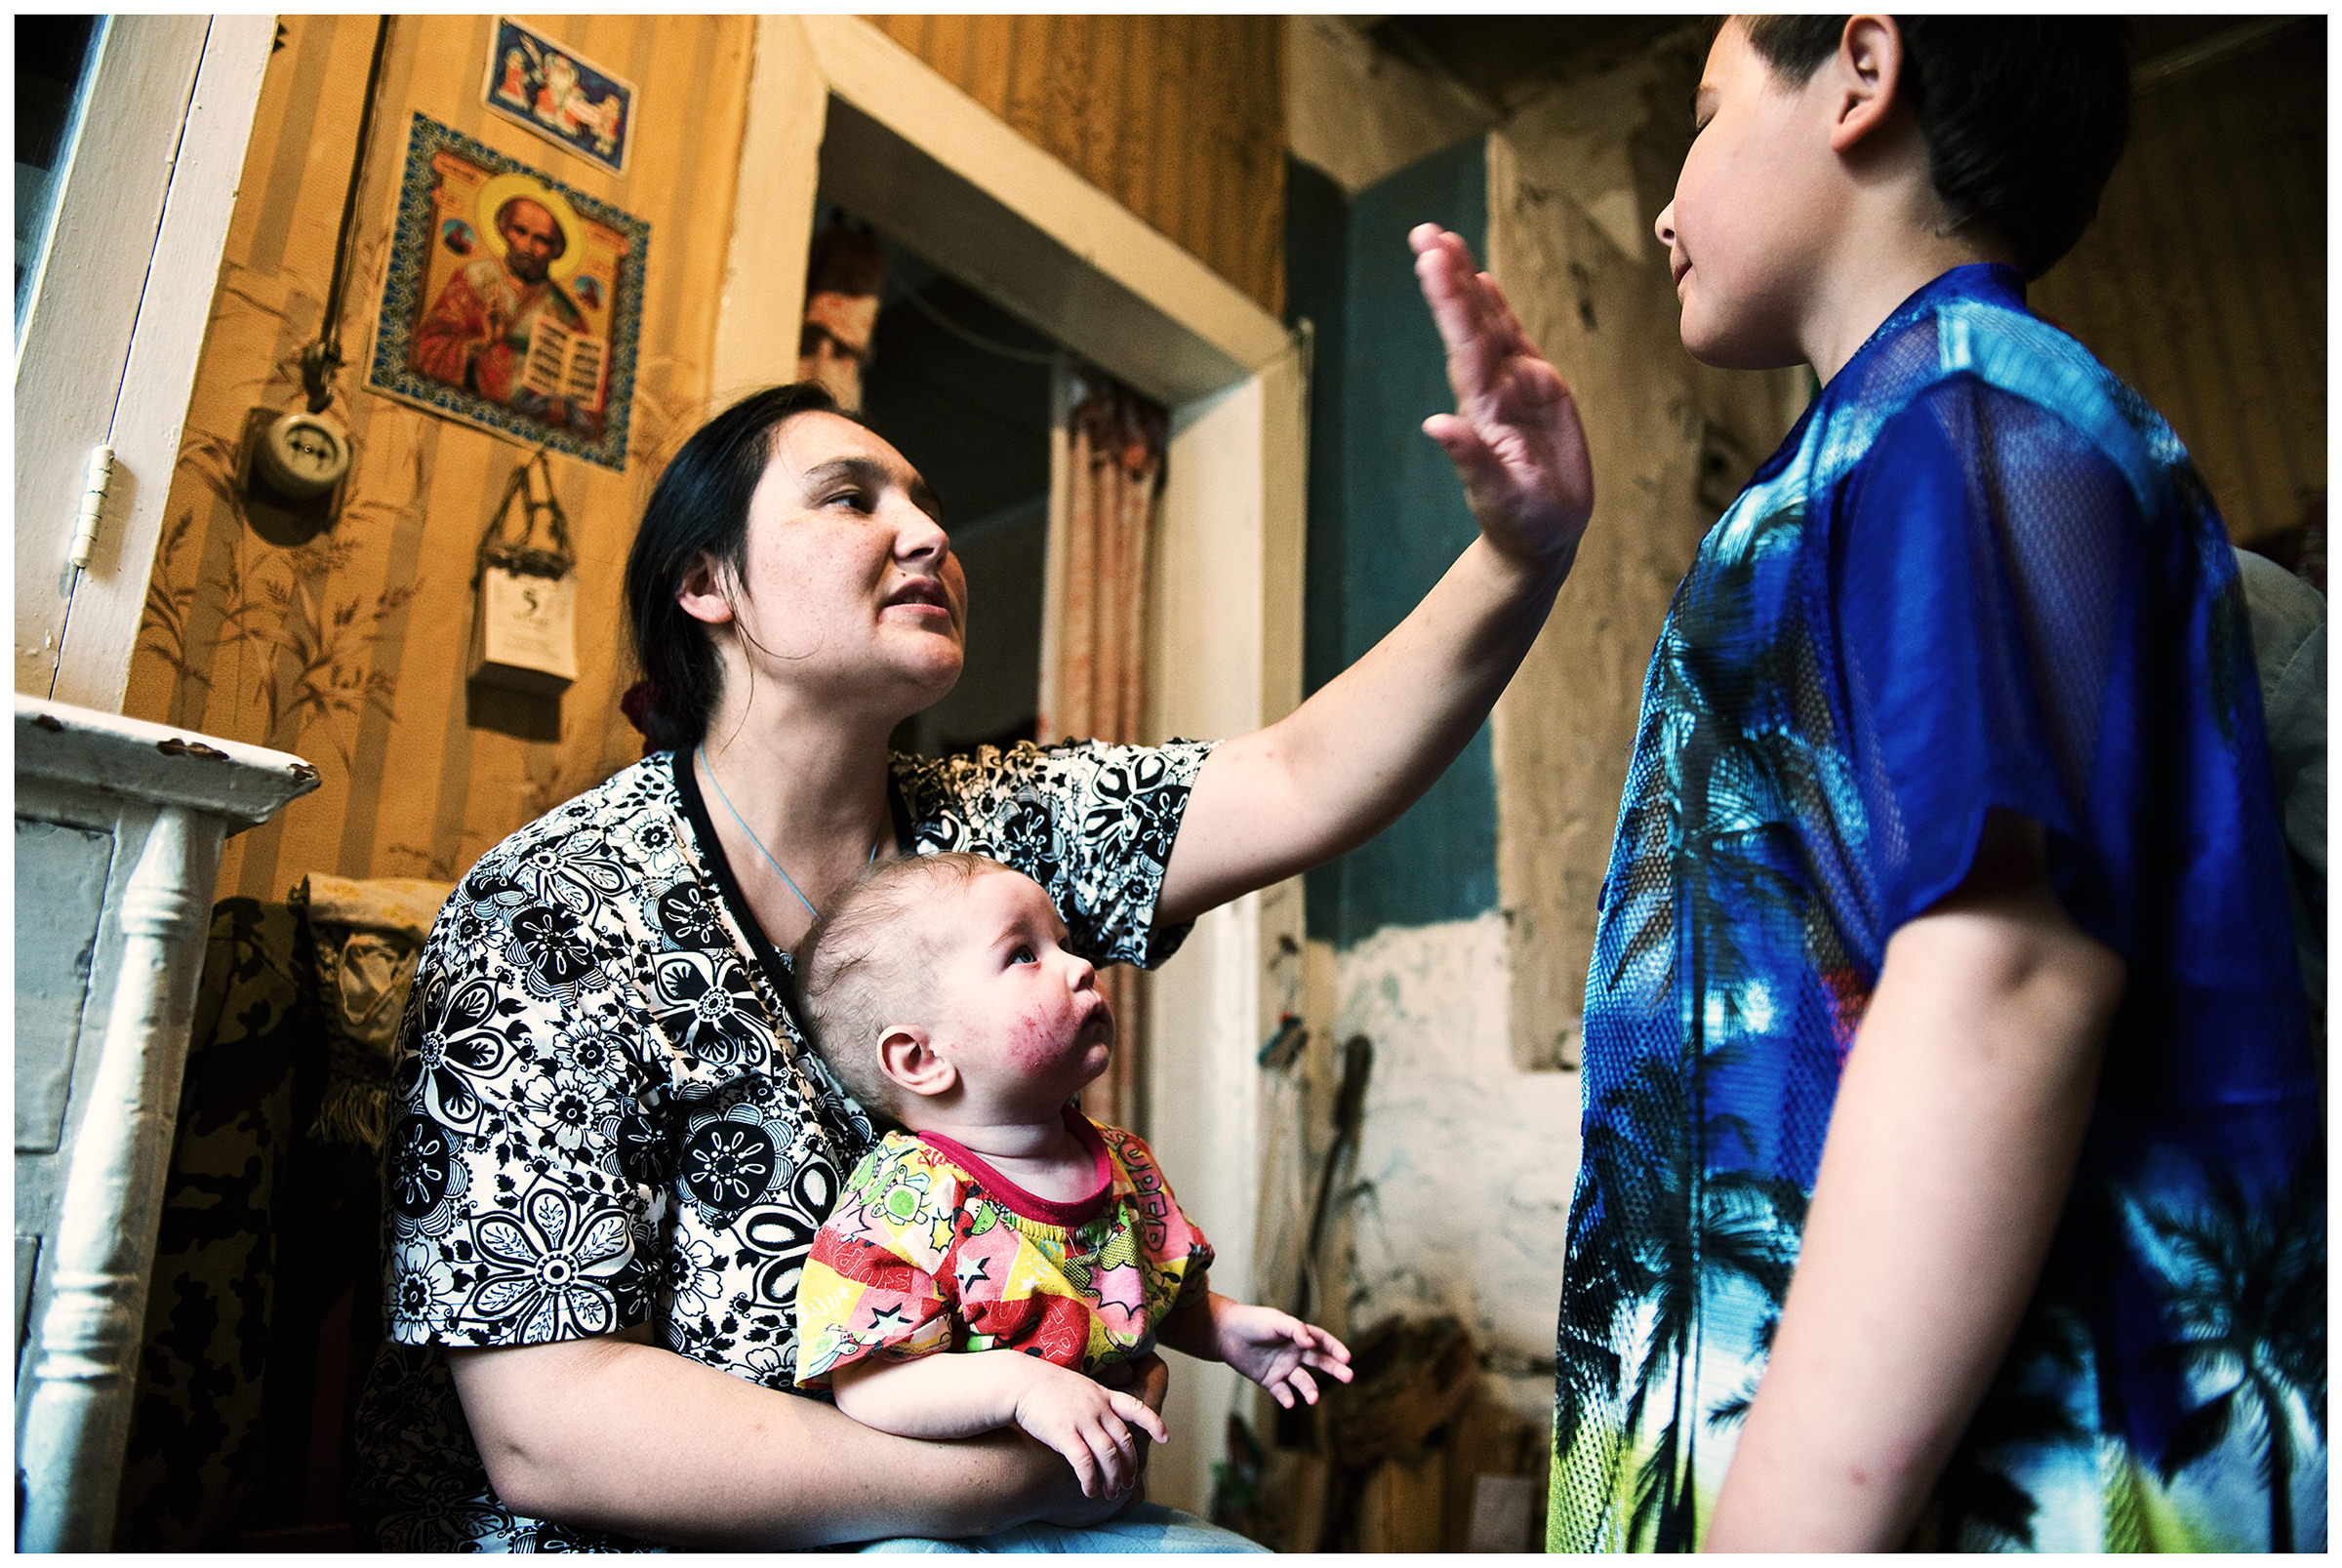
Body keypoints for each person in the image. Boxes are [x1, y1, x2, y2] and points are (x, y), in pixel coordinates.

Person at [358, 222, 1595, 1549]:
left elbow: (1299, 777)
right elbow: (548, 1423)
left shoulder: (994, 826)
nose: (931, 532)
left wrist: (1518, 554)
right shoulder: (552, 910)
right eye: (853, 499)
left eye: (926, 501)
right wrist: (1006, 1477)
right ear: (707, 584)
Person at [1546, 15, 2323, 1553]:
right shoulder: (1849, 461)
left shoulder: (1973, 412)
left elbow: (2006, 966)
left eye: (1704, 118)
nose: (1663, 197)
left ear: (1862, 69)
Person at [787, 853, 1352, 1547]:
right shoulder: (906, 1199)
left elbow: (1156, 1294)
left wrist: (1227, 1329)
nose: (1080, 966)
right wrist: (1020, 1387)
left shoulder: (1124, 1166)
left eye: (1065, 942)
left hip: (1109, 1521)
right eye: (1024, 953)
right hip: (948, 1532)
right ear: (921, 1059)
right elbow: (868, 1383)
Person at [411, 191, 600, 437]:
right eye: (520, 231)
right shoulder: (472, 278)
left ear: (555, 249)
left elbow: (585, 397)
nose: (529, 247)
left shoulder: (565, 312)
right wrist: (481, 344)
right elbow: (428, 347)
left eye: (541, 239)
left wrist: (563, 404)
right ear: (505, 231)